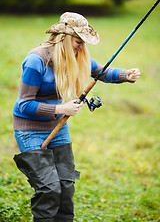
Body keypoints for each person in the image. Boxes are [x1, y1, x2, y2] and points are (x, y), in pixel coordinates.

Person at [13, 12, 140, 222]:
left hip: (58, 129)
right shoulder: (37, 60)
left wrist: (126, 75)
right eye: (78, 41)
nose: (81, 47)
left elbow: (102, 72)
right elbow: (24, 104)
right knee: (49, 189)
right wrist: (59, 109)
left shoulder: (76, 57)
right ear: (63, 37)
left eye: (83, 43)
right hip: (30, 131)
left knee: (66, 186)